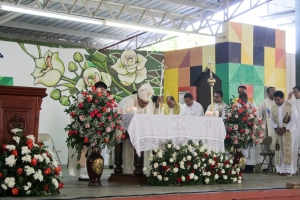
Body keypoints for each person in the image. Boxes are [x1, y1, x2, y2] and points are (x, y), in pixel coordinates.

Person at [68, 81, 108, 181]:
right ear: (96, 89)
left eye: (104, 92)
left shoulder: (102, 99)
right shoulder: (84, 97)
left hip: (96, 131)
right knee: (83, 151)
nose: (103, 94)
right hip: (83, 129)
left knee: (95, 152)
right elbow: (77, 112)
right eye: (101, 91)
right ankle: (83, 174)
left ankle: (94, 173)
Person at [118, 82, 154, 174]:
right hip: (128, 135)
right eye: (143, 102)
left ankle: (143, 171)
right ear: (138, 97)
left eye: (147, 103)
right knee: (129, 154)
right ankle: (128, 172)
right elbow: (121, 120)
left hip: (142, 134)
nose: (145, 105)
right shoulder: (128, 102)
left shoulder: (149, 104)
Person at [270, 91, 298, 176]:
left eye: (278, 100)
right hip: (278, 132)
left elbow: (294, 119)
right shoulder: (273, 107)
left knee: (288, 150)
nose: (276, 102)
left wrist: (285, 128)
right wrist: (276, 128)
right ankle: (279, 169)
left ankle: (289, 170)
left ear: (283, 98)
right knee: (279, 150)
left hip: (288, 133)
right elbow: (271, 119)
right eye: (275, 100)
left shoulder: (291, 106)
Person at [238, 93, 260, 173]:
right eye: (241, 99)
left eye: (244, 99)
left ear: (246, 98)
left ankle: (250, 166)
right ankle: (242, 165)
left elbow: (256, 117)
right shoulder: (237, 106)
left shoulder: (251, 106)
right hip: (240, 131)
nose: (242, 101)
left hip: (250, 130)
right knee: (242, 149)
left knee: (250, 150)